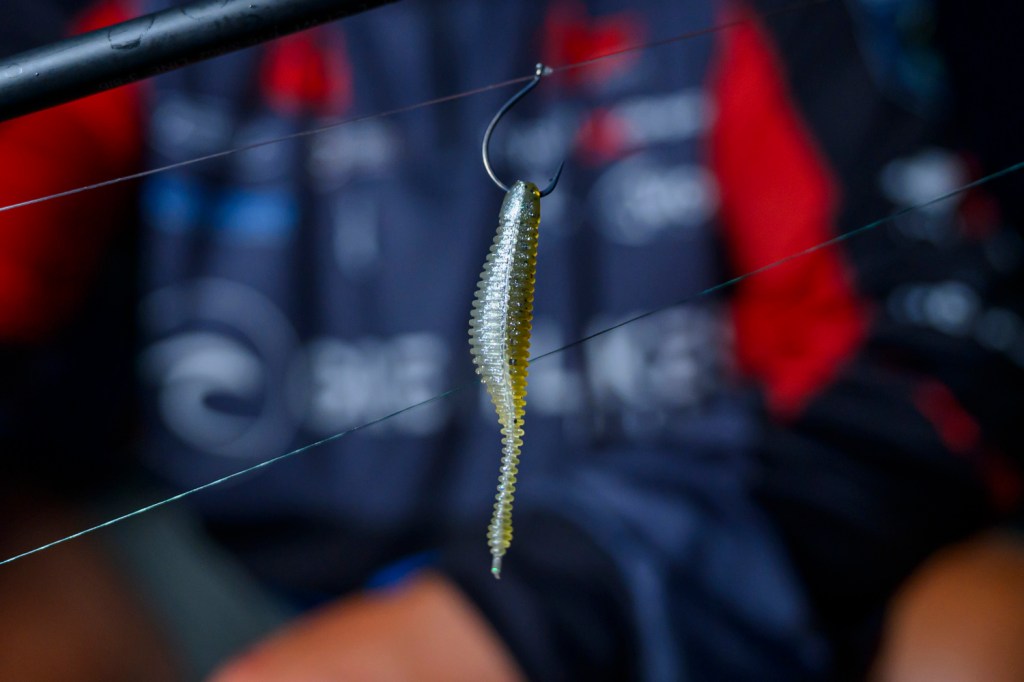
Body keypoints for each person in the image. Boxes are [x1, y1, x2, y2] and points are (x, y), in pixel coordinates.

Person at [1, 0, 1022, 680]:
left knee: (983, 627)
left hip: (657, 567)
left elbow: (942, 368)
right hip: (225, 576)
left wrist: (545, 612)